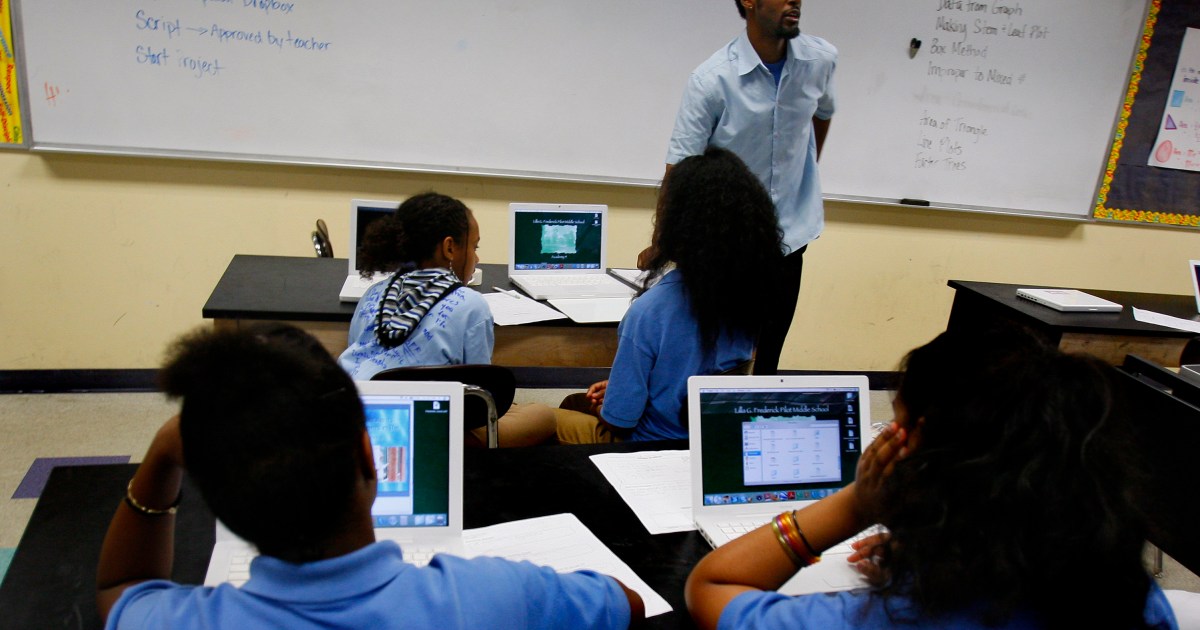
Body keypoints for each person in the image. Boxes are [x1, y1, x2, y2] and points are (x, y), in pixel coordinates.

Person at [96, 324, 645, 629]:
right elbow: (627, 604)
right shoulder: (497, 595)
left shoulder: (180, 622)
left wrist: (160, 459)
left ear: (219, 504)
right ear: (368, 454)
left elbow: (118, 590)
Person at [685, 326, 1179, 629]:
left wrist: (856, 504)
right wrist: (939, 552)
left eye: (894, 426)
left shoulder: (883, 620)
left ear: (921, 455)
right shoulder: (1130, 594)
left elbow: (713, 585)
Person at [655, 0, 837, 375]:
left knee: (768, 357)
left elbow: (822, 113)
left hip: (789, 234)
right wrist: (662, 240)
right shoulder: (712, 79)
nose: (795, 1)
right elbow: (681, 166)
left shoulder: (820, 60)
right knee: (719, 356)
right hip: (725, 241)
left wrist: (803, 171)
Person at [557, 147, 783, 443]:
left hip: (651, 446)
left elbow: (620, 423)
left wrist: (608, 404)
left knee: (552, 416)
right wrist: (620, 387)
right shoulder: (753, 299)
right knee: (578, 402)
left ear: (677, 224)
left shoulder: (650, 312)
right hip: (713, 441)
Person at [337, 192, 555, 447]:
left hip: (353, 420)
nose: (476, 258)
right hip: (425, 431)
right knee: (544, 415)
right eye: (474, 247)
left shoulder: (374, 293)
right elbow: (479, 396)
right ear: (449, 248)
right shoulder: (472, 304)